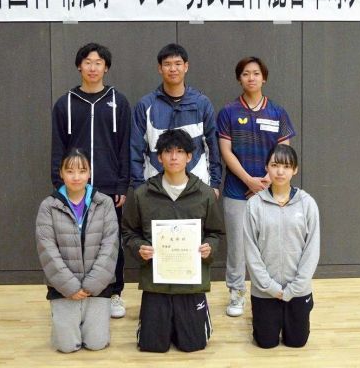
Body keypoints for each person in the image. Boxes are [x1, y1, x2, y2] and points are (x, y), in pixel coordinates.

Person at [122, 129, 224, 353]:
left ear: (189, 156)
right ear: (159, 157)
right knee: (152, 346)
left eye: (180, 151)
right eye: (168, 152)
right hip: (156, 282)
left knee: (193, 345)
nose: (174, 157)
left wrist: (210, 248)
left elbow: (216, 233)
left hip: (191, 282)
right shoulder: (142, 194)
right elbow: (128, 232)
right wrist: (139, 248)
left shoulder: (205, 194)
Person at [51, 42, 131, 319]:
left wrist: (122, 184)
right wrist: (59, 185)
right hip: (74, 187)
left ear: (106, 67)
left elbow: (125, 146)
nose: (93, 67)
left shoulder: (118, 101)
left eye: (98, 63)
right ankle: (77, 292)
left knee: (110, 243)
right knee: (76, 243)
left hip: (109, 188)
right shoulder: (65, 103)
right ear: (79, 66)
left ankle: (114, 293)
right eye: (88, 62)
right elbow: (58, 147)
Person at [216, 56, 296, 317]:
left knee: (270, 244)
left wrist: (266, 181)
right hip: (236, 191)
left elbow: (283, 153)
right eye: (246, 74)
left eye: (256, 73)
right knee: (238, 246)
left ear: (264, 78)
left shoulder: (277, 112)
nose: (251, 78)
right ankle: (237, 291)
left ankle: (268, 291)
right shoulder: (228, 112)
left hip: (271, 191)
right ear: (239, 79)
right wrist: (249, 180)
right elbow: (225, 151)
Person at [36, 148, 119, 353]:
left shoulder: (105, 203)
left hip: (97, 286)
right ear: (61, 173)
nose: (76, 177)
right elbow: (47, 250)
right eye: (70, 171)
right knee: (66, 346)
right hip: (64, 287)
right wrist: (70, 286)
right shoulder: (48, 206)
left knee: (96, 344)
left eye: (82, 171)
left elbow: (110, 246)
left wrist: (92, 284)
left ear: (89, 173)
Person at [243, 144, 320, 348]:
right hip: (265, 291)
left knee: (297, 342)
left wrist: (295, 287)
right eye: (275, 165)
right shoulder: (254, 205)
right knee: (265, 343)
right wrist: (270, 287)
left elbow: (312, 250)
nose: (280, 171)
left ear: (295, 170)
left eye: (286, 166)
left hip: (298, 290)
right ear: (266, 167)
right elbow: (251, 252)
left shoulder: (307, 203)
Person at [130, 43, 221, 197]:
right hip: (155, 189)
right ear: (160, 68)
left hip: (196, 188)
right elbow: (136, 150)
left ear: (186, 66)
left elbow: (212, 146)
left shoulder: (201, 103)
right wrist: (139, 187)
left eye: (178, 64)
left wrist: (214, 184)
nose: (173, 69)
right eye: (167, 64)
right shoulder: (145, 105)